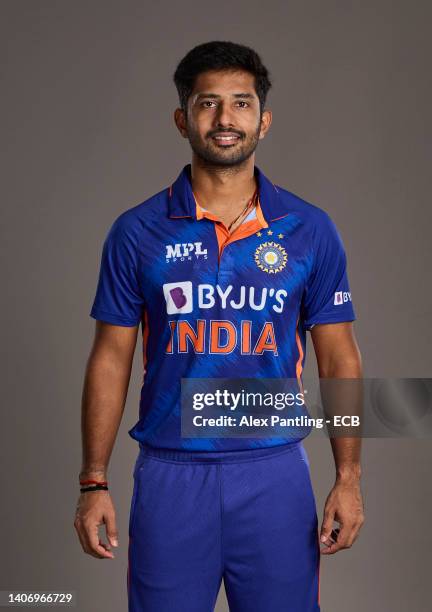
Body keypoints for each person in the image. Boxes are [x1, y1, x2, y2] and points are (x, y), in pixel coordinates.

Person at [74, 40, 365, 612]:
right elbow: (111, 357)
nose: (226, 119)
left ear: (265, 120)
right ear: (183, 118)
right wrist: (94, 481)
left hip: (275, 471)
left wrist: (349, 476)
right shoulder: (138, 231)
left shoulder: (310, 229)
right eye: (209, 104)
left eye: (241, 103)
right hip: (171, 475)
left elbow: (340, 359)